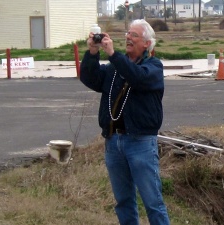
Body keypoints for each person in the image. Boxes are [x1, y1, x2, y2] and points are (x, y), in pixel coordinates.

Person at [80, 19, 170, 225]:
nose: (128, 37)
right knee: (124, 202)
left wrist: (113, 55)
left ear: (147, 43)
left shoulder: (153, 67)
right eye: (128, 34)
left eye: (134, 35)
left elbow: (137, 77)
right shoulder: (114, 68)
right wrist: (92, 53)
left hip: (141, 143)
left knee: (152, 202)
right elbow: (90, 79)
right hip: (114, 142)